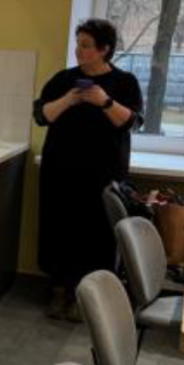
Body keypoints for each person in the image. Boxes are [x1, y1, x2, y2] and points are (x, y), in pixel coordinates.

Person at [34, 19, 144, 320]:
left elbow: (131, 121)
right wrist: (69, 99)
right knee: (58, 229)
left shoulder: (124, 82)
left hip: (102, 175)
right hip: (61, 171)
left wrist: (104, 101)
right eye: (78, 44)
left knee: (97, 233)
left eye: (86, 45)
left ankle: (89, 296)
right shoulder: (63, 79)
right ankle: (59, 290)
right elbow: (42, 115)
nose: (79, 50)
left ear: (104, 49)